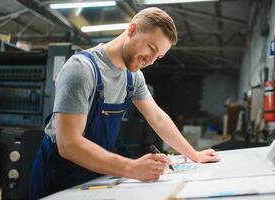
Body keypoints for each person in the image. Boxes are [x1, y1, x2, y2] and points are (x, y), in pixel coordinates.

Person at [30, 7, 220, 199]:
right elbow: (69, 144)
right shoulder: (82, 69)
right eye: (151, 49)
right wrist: (132, 168)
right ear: (132, 29)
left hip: (95, 173)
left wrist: (194, 155)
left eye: (158, 56)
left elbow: (157, 117)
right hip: (59, 178)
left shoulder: (133, 77)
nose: (151, 61)